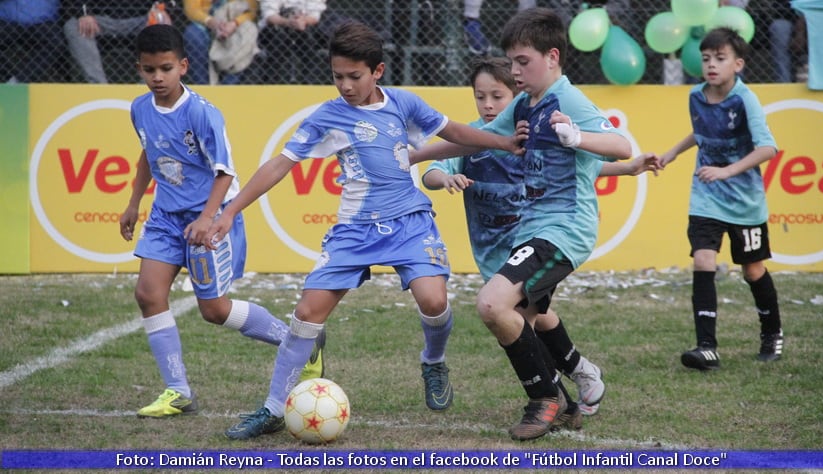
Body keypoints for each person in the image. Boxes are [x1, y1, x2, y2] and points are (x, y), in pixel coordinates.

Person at [202, 19, 526, 440]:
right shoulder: (327, 116)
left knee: (433, 300)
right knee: (306, 315)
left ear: (378, 71)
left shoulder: (404, 103)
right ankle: (272, 408)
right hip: (354, 231)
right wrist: (229, 212)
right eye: (337, 76)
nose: (345, 86)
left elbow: (455, 133)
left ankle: (433, 361)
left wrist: (503, 141)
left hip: (409, 222)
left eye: (354, 76)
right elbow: (280, 164)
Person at [413, 8, 632, 441]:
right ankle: (571, 396)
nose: (514, 72)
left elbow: (620, 146)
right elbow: (474, 138)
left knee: (493, 304)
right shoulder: (523, 102)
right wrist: (413, 156)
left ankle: (543, 398)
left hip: (563, 228)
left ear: (552, 57)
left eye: (522, 62)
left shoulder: (566, 98)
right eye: (511, 62)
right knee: (525, 317)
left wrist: (578, 137)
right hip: (533, 229)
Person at [119, 23, 323, 419]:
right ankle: (177, 392)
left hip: (205, 217)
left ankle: (301, 342)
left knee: (213, 311)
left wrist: (208, 218)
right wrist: (133, 202)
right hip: (164, 216)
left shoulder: (201, 113)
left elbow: (225, 171)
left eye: (165, 68)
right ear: (139, 69)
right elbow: (148, 154)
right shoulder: (139, 108)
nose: (157, 78)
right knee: (147, 293)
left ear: (183, 65)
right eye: (148, 70)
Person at [657, 27, 783, 371]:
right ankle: (706, 347)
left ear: (738, 64)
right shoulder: (696, 96)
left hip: (745, 203)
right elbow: (701, 133)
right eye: (706, 58)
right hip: (706, 198)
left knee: (753, 270)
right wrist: (672, 153)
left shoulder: (746, 100)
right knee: (702, 261)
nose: (711, 65)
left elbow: (768, 148)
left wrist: (727, 171)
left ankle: (772, 334)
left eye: (720, 58)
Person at [182, 0, 259, 85]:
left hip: (235, 23)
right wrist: (210, 21)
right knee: (193, 35)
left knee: (248, 35)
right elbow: (192, 10)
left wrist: (234, 23)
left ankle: (229, 85)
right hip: (205, 22)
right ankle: (203, 86)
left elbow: (251, 11)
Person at [0, 0, 65, 83]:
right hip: (8, 18)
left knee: (57, 42)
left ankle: (18, 82)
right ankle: (6, 77)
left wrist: (83, 14)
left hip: (42, 21)